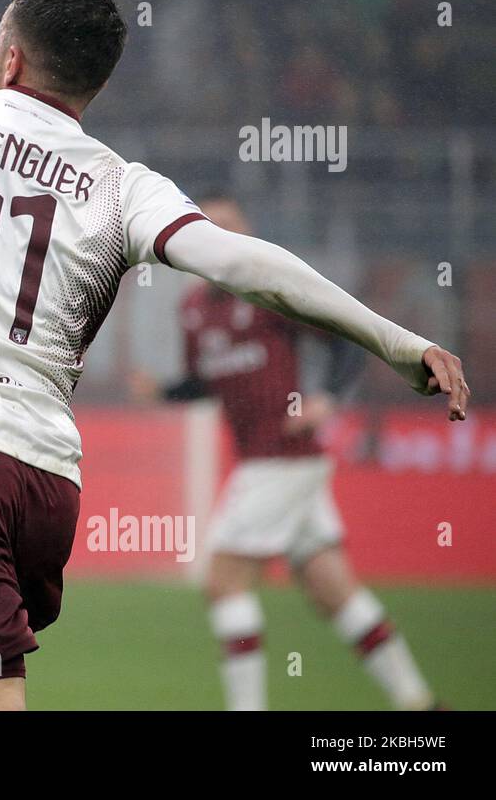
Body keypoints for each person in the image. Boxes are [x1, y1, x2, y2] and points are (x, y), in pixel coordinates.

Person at [0, 0, 469, 711]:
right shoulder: (121, 184)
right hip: (46, 486)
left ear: (11, 60)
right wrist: (397, 342)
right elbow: (247, 265)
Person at [129, 192, 439, 710]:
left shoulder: (267, 290)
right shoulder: (194, 309)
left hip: (285, 457)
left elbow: (345, 337)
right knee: (331, 590)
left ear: (246, 231)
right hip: (266, 463)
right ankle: (419, 704)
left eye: (230, 224)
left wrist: (328, 399)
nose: (220, 236)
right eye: (211, 226)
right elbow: (207, 382)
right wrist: (162, 392)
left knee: (223, 581)